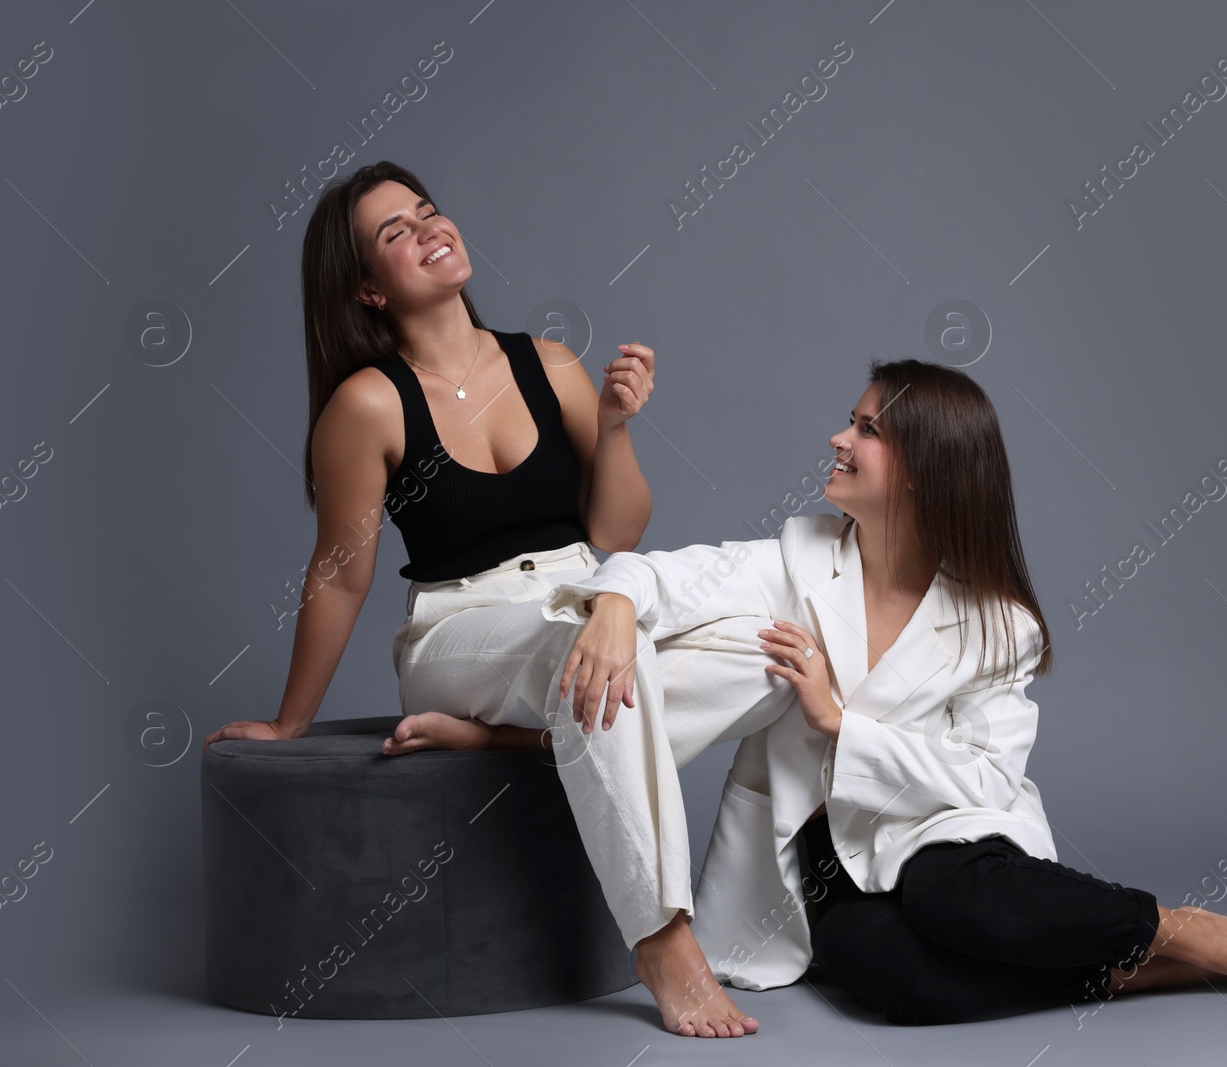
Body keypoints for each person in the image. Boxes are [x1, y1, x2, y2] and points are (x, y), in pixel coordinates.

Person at [547, 359, 1227, 1029]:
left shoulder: (999, 622)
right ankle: (1129, 971)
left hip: (943, 830)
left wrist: (838, 721)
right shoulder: (798, 555)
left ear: (924, 467)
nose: (838, 439)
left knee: (953, 900)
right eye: (847, 422)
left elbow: (987, 778)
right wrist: (615, 603)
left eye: (865, 430)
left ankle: (1182, 929)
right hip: (822, 852)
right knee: (892, 980)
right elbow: (663, 571)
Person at [199, 162, 794, 1037]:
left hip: (582, 596)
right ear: (367, 288)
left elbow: (616, 531)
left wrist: (618, 428)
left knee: (769, 650)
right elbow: (342, 572)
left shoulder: (547, 364)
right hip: (460, 631)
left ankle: (515, 738)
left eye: (427, 211)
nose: (427, 228)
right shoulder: (368, 406)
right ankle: (664, 936)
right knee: (590, 655)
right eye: (394, 233)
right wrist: (292, 722)